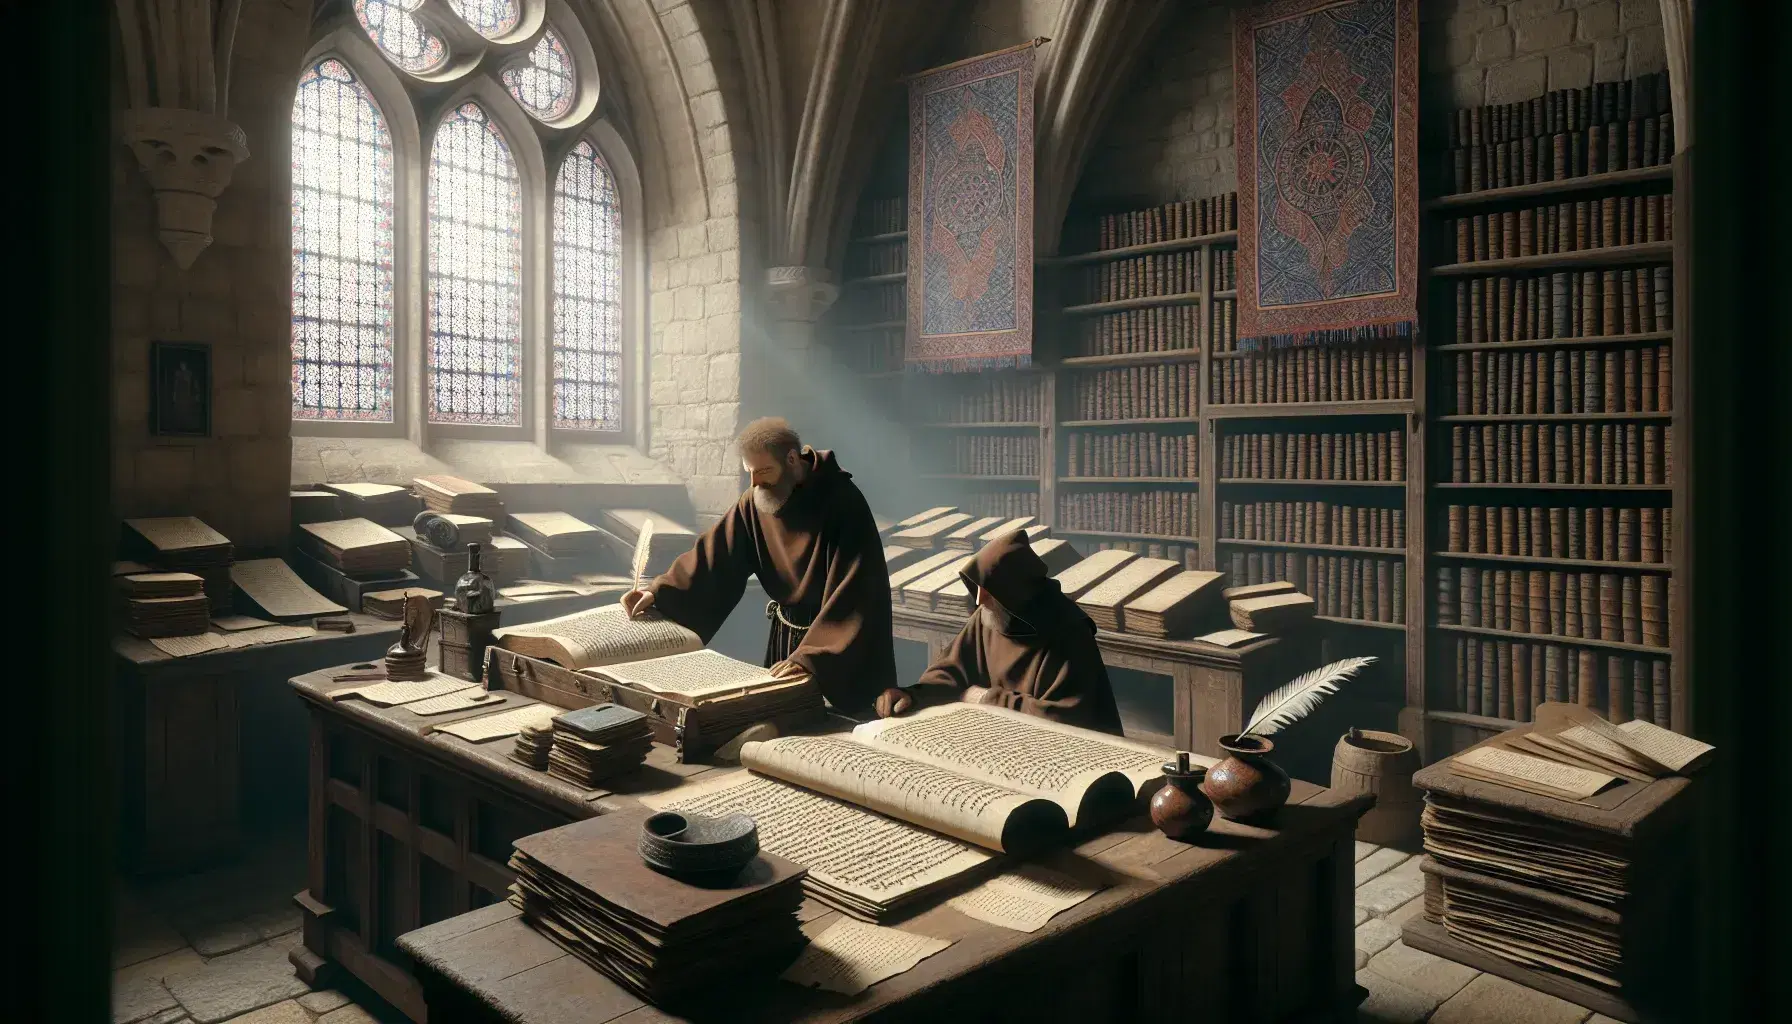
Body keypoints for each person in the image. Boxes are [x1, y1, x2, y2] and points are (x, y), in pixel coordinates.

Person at [622, 417, 896, 714]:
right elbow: (715, 558)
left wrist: (813, 659)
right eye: (749, 472)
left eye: (764, 471)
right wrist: (662, 593)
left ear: (792, 459)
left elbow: (856, 592)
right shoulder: (754, 502)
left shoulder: (844, 501)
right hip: (785, 644)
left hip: (837, 649)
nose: (754, 483)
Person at [873, 529, 1124, 734]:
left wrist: (986, 699)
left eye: (989, 589)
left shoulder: (1068, 631)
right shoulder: (990, 616)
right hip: (993, 737)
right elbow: (950, 672)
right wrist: (911, 695)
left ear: (1014, 592)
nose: (979, 600)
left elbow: (1064, 720)